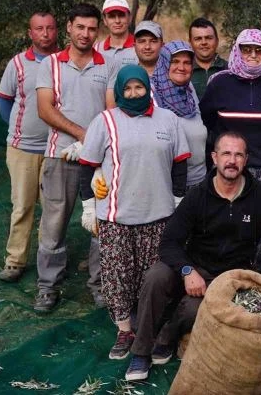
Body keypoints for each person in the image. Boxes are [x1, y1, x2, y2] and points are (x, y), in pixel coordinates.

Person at [124, 132, 261, 381]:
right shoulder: (198, 195)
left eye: (238, 155)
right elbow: (169, 242)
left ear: (246, 160)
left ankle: (167, 335)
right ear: (214, 157)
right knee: (155, 276)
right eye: (226, 154)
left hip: (229, 277)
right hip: (193, 266)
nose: (232, 160)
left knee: (195, 308)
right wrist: (187, 271)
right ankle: (141, 352)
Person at [78, 65, 190, 361]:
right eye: (127, 89)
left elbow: (180, 166)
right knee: (118, 276)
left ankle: (149, 330)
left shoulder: (168, 120)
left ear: (147, 88)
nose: (133, 94)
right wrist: (89, 206)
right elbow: (86, 166)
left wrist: (179, 203)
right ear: (118, 92)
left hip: (159, 215)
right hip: (116, 217)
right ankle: (125, 330)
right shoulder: (104, 121)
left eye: (138, 88)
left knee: (152, 278)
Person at [34, 3, 116, 313]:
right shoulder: (51, 65)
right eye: (80, 27)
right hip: (59, 156)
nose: (85, 33)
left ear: (99, 31)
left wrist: (92, 143)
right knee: (54, 223)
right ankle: (47, 288)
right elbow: (45, 109)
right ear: (69, 27)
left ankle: (98, 284)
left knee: (99, 221)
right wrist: (83, 134)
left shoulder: (107, 65)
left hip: (97, 161)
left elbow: (110, 111)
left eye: (92, 28)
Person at [200, 29, 261, 271]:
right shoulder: (220, 82)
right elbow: (207, 122)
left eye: (259, 50)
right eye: (247, 49)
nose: (253, 55)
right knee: (226, 225)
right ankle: (224, 282)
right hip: (228, 169)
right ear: (237, 51)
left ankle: (257, 283)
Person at [0, 12, 60, 282]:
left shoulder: (64, 62)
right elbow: (4, 100)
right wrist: (20, 128)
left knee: (52, 209)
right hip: (22, 148)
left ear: (57, 31)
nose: (45, 34)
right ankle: (15, 260)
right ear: (30, 33)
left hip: (55, 149)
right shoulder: (18, 64)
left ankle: (48, 262)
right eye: (39, 29)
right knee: (22, 206)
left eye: (49, 28)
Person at [152, 41, 208, 188]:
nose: (181, 68)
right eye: (175, 61)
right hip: (170, 186)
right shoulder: (152, 94)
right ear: (165, 63)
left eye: (187, 63)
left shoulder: (189, 90)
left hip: (199, 181)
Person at [94, 0, 138, 68]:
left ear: (129, 18)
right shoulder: (96, 49)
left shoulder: (141, 47)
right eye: (111, 16)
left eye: (121, 15)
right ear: (105, 20)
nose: (117, 21)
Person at [188, 17, 226, 98]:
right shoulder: (183, 71)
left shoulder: (230, 70)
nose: (204, 42)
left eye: (209, 38)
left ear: (217, 41)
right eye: (198, 39)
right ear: (190, 43)